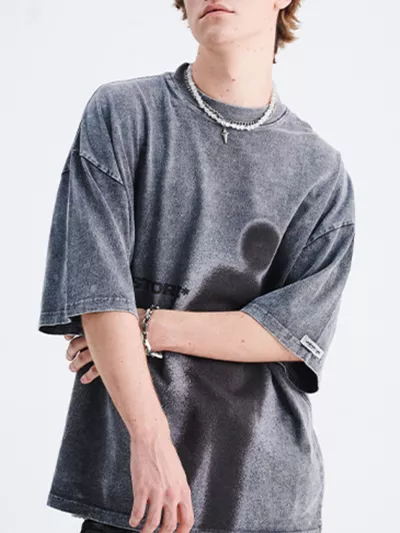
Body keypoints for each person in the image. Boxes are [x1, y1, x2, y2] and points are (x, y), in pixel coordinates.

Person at [38, 1, 356, 533]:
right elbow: (98, 292)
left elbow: (288, 334)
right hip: (138, 490)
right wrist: (150, 441)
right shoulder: (124, 115)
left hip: (266, 495)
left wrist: (143, 325)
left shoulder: (321, 172)